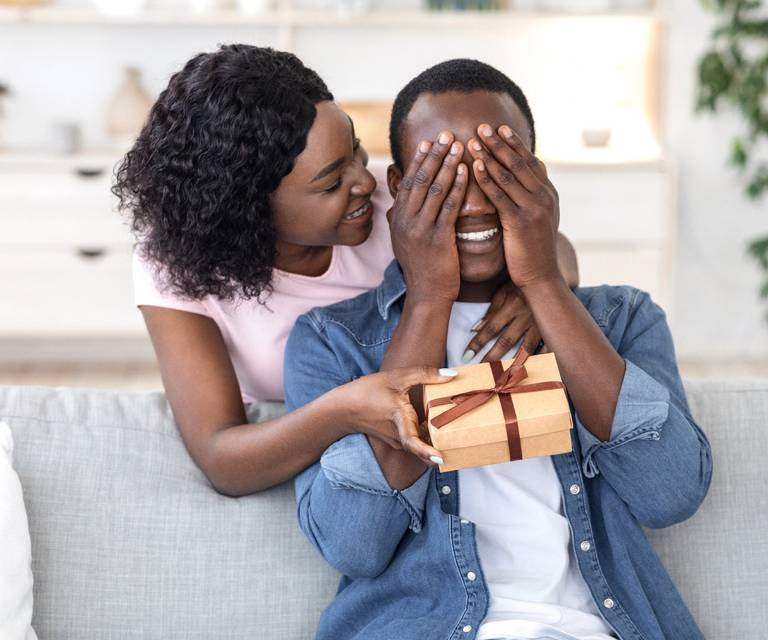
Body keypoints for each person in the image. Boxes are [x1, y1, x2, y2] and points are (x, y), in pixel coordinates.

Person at [285, 59, 713, 640]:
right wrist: (430, 296)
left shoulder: (622, 319)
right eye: (443, 178)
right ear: (398, 189)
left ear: (537, 176)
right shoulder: (332, 343)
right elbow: (355, 543)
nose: (475, 203)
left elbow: (670, 493)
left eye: (498, 171)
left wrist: (542, 280)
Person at [113, 44, 578, 496]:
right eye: (333, 181)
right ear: (249, 208)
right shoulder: (172, 267)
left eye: (356, 151)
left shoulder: (394, 205)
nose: (364, 181)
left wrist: (533, 285)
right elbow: (222, 458)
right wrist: (343, 410)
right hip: (302, 445)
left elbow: (553, 245)